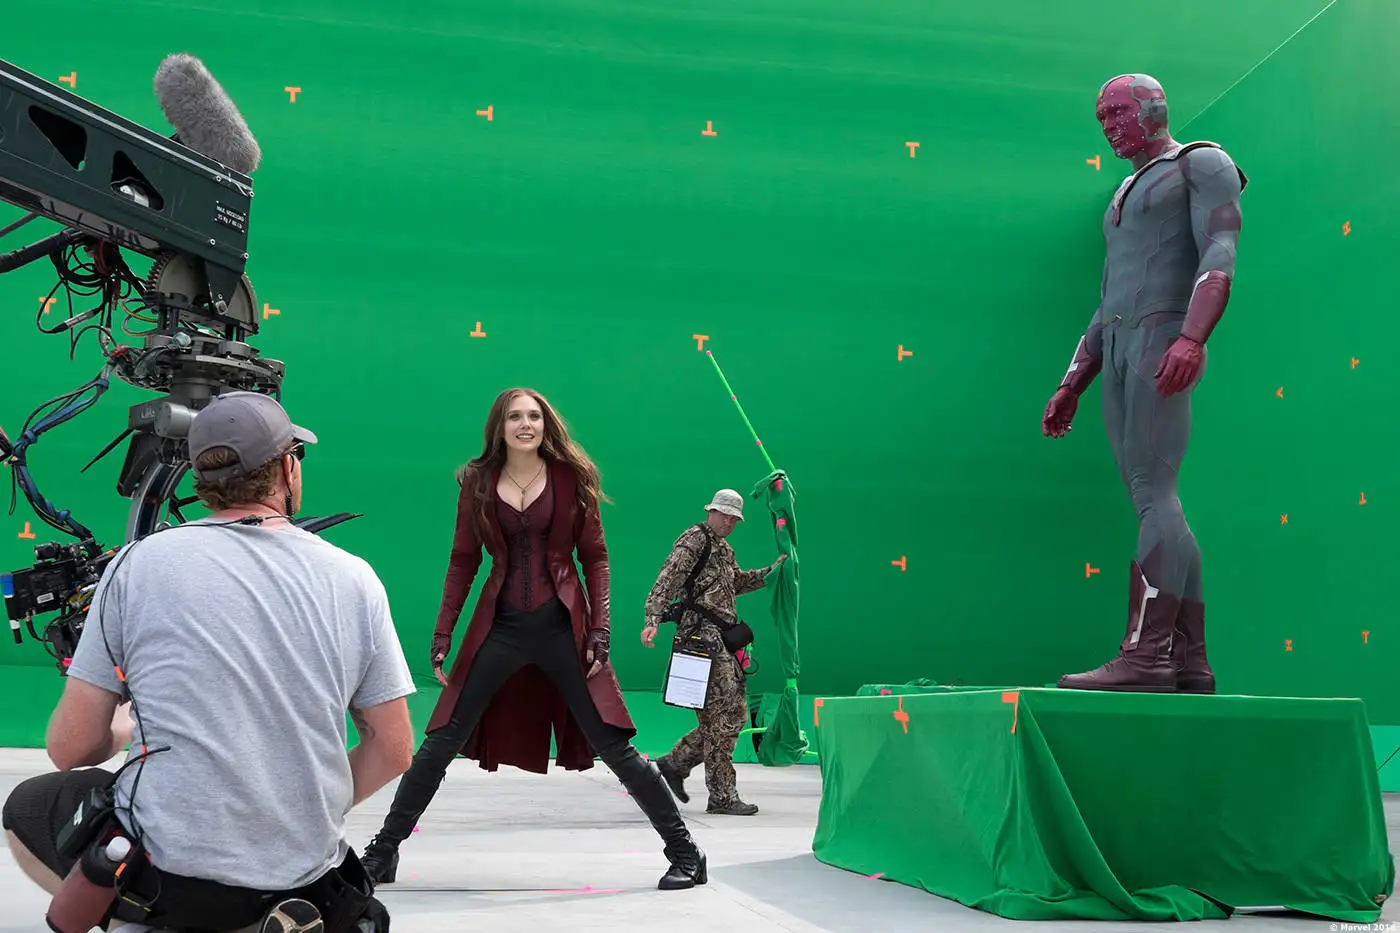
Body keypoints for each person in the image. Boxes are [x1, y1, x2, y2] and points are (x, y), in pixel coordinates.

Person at [0, 391, 417, 933]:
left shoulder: (136, 566)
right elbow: (393, 747)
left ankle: (137, 918)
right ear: (287, 470)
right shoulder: (354, 577)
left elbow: (70, 748)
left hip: (171, 882)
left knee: (29, 808)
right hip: (306, 880)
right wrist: (297, 808)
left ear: (200, 478)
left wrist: (126, 727)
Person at [358, 387, 707, 891]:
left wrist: (600, 630)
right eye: (515, 417)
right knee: (439, 743)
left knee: (613, 744)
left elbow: (595, 557)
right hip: (499, 627)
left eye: (535, 417)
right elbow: (463, 559)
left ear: (546, 425)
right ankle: (382, 852)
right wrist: (443, 630)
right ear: (499, 427)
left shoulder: (570, 477)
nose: (526, 425)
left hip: (564, 628)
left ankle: (687, 853)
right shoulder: (477, 479)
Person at [1042, 74, 1246, 694]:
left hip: (1162, 337)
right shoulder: (1124, 192)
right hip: (1121, 345)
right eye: (1101, 117)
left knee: (1156, 492)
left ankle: (1148, 653)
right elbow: (1111, 296)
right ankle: (1188, 661)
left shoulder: (1200, 162)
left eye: (1118, 112)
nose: (1109, 126)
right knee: (1152, 498)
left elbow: (1220, 249)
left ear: (1155, 108)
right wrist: (1073, 381)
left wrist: (1192, 337)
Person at [641, 489, 785, 815]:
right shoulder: (695, 539)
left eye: (735, 520)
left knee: (732, 715)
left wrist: (769, 573)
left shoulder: (723, 549)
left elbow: (736, 583)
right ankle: (721, 796)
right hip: (700, 639)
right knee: (722, 716)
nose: (730, 523)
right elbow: (667, 578)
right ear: (712, 512)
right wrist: (652, 618)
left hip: (719, 639)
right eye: (727, 516)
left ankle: (676, 763)